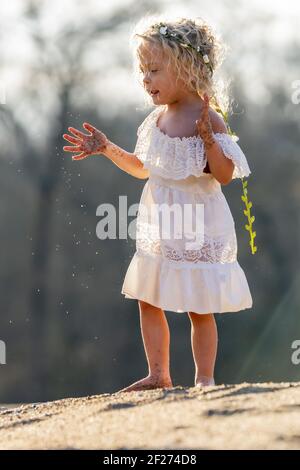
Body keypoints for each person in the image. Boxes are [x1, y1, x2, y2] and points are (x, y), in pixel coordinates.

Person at [63, 16, 253, 393]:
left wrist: (210, 142)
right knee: (148, 298)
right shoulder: (157, 121)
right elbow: (141, 168)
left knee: (200, 306)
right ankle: (158, 373)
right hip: (162, 223)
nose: (145, 80)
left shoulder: (207, 117)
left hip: (197, 224)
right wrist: (107, 149)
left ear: (186, 69)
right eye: (142, 71)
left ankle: (204, 378)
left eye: (154, 70)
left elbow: (225, 175)